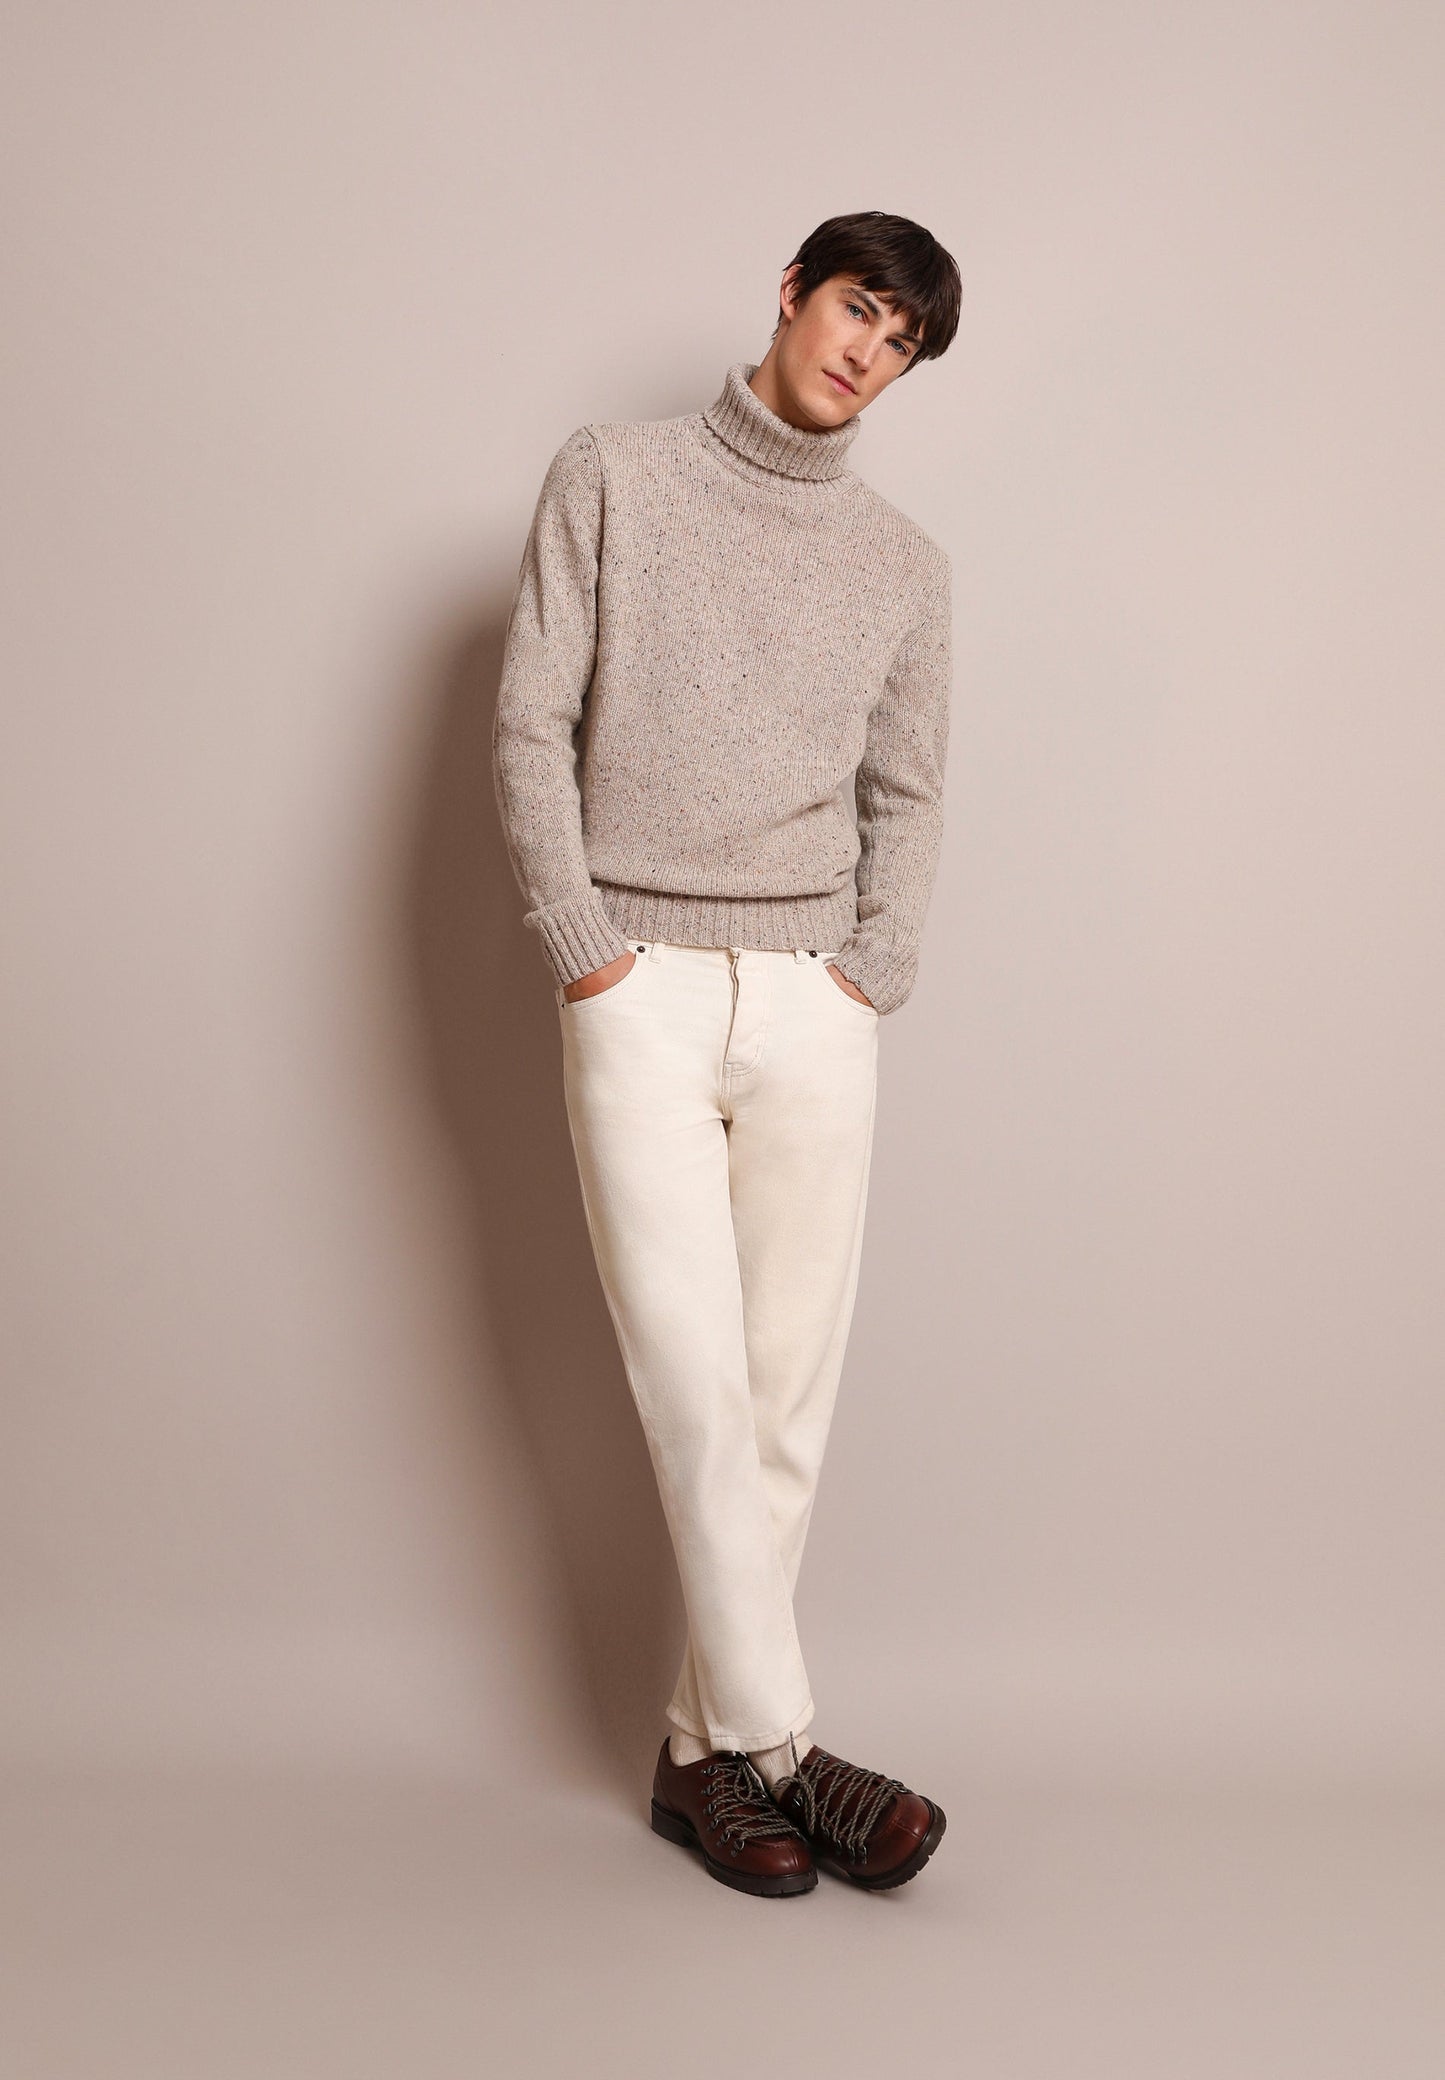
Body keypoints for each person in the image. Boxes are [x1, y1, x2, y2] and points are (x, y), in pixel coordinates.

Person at [492, 211, 960, 1897]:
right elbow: (529, 717)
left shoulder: (903, 563)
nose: (865, 354)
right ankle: (788, 1752)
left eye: (899, 343)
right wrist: (585, 946)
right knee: (694, 1392)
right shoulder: (612, 474)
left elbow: (907, 791)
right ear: (790, 292)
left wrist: (870, 973)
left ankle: (703, 1765)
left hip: (813, 1003)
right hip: (642, 985)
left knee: (782, 1406)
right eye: (856, 309)